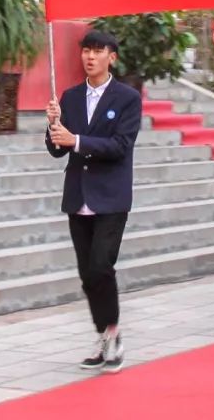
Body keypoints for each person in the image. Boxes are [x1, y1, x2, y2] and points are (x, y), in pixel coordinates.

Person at [45, 30, 142, 374]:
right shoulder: (70, 97)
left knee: (101, 266)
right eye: (86, 50)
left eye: (98, 51)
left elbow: (120, 146)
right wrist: (53, 125)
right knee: (87, 274)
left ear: (111, 57)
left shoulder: (127, 98)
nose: (90, 57)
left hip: (111, 197)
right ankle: (103, 334)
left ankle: (113, 332)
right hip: (78, 196)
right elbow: (58, 149)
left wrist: (77, 140)